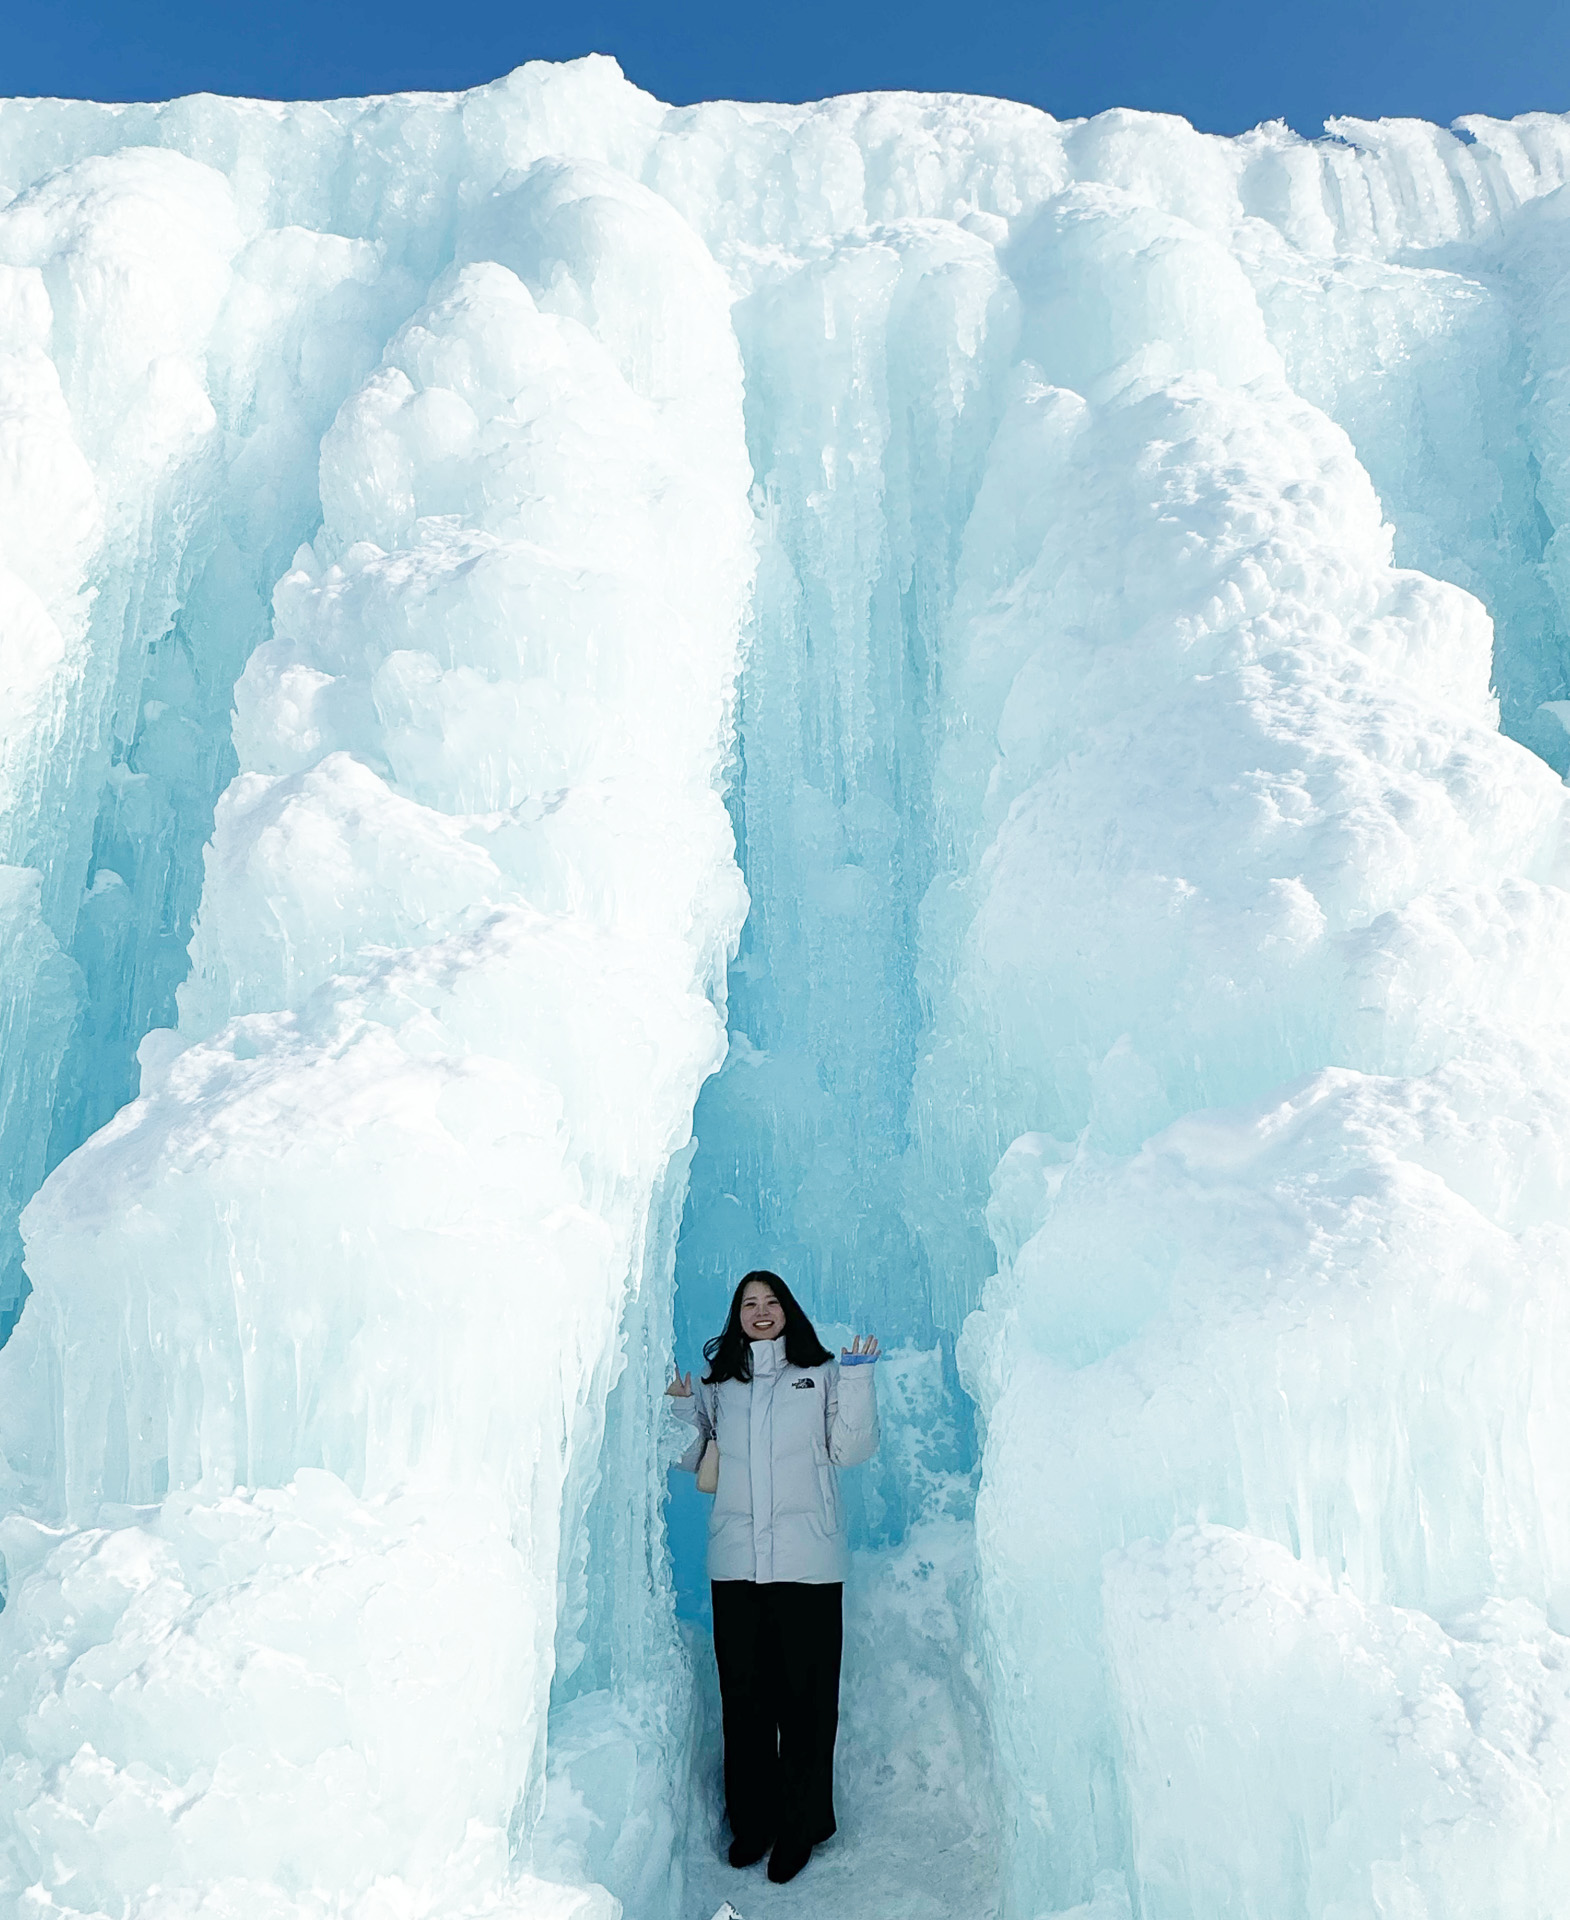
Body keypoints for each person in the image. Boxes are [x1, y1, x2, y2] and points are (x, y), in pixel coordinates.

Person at [667, 1269, 880, 1885]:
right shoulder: (719, 1387)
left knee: (808, 1707)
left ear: (789, 1309)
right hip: (736, 1566)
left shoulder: (821, 1377)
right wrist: (681, 1407)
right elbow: (688, 1457)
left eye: (771, 1301)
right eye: (748, 1304)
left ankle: (801, 1826)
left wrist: (860, 1379)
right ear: (736, 1316)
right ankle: (752, 1823)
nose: (760, 1312)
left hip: (808, 1567)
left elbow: (852, 1448)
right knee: (747, 1704)